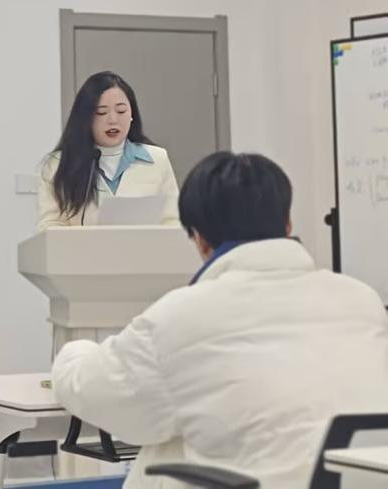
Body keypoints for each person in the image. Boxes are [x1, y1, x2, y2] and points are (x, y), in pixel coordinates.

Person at [52, 152, 388, 488]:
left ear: (198, 238)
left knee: (164, 443)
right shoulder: (362, 300)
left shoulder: (182, 316)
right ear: (287, 223)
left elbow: (96, 393)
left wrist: (77, 351)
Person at [38, 71, 179, 231]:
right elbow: (49, 227)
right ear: (85, 118)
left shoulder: (158, 159)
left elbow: (173, 222)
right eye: (101, 112)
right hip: (83, 248)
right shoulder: (58, 164)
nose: (113, 120)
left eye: (121, 111)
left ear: (132, 114)